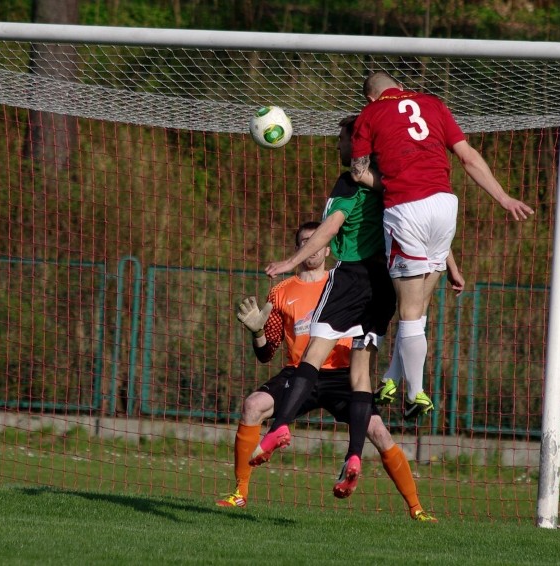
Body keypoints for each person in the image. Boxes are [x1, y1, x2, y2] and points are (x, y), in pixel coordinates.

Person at [216, 222, 436, 521]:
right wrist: (257, 332)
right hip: (300, 373)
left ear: (328, 247)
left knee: (379, 432)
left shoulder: (343, 281)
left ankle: (416, 507)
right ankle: (240, 493)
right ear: (299, 249)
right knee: (252, 406)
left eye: (317, 240)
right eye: (305, 241)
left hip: (343, 375)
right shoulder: (281, 292)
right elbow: (266, 354)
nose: (313, 246)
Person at [350, 71, 533, 419]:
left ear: (371, 98)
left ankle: (417, 393)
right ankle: (391, 378)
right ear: (399, 88)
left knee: (407, 311)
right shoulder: (434, 104)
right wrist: (503, 197)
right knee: (417, 311)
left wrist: (390, 182)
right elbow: (468, 157)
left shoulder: (369, 115)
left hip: (406, 208)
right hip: (445, 205)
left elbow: (359, 171)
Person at [258, 115, 396, 499]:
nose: (337, 145)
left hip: (352, 276)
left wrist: (290, 260)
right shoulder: (396, 179)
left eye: (341, 139)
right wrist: (449, 267)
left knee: (312, 355)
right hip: (387, 283)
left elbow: (330, 227)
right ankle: (354, 455)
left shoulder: (349, 181)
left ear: (357, 141)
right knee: (362, 375)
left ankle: (281, 426)